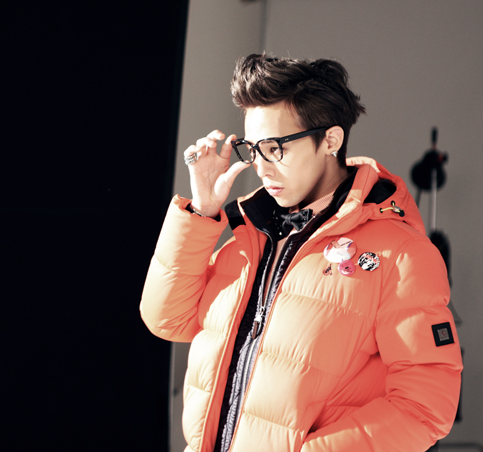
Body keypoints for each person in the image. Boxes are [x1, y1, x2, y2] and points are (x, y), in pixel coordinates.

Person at [140, 54, 462, 452]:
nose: (261, 168)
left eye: (275, 148)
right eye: (252, 149)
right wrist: (202, 212)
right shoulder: (250, 236)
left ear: (330, 140)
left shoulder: (401, 255)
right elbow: (167, 319)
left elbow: (425, 407)